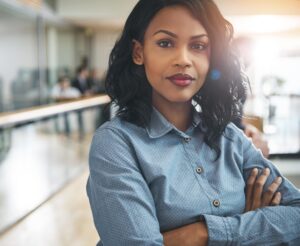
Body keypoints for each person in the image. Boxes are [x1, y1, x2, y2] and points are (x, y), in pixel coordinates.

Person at [87, 0, 300, 245]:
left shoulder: (229, 137)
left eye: (198, 46)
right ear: (139, 52)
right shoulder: (116, 144)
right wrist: (251, 226)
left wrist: (200, 234)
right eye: (165, 43)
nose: (183, 60)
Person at [232, 36, 270, 158]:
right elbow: (219, 122)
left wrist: (247, 128)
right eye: (242, 53)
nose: (246, 57)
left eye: (250, 53)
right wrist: (247, 143)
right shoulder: (223, 81)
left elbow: (235, 119)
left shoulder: (240, 83)